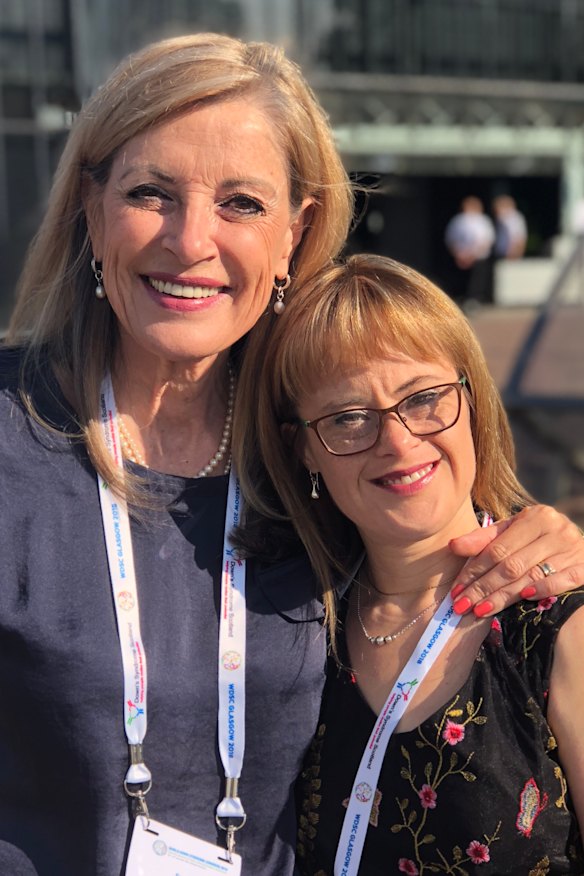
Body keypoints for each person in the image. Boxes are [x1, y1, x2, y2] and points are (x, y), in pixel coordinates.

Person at [0, 32, 582, 876]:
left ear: (294, 235)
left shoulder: (312, 448)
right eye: (151, 192)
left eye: (241, 203)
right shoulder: (14, 434)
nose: (191, 240)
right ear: (91, 210)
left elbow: (431, 531)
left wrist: (546, 546)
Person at [235, 254, 584, 874]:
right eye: (347, 418)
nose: (398, 442)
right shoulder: (289, 622)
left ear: (471, 400)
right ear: (305, 451)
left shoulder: (558, 624)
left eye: (423, 399)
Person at [444, 196, 495, 309]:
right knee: (461, 280)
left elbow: (487, 240)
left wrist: (473, 254)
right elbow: (451, 238)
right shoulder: (458, 220)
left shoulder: (483, 220)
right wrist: (459, 254)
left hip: (478, 257)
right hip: (461, 257)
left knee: (477, 281)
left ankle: (475, 299)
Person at [492, 194, 528, 260]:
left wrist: (514, 252)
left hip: (510, 254)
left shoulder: (513, 218)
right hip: (502, 253)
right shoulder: (501, 219)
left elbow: (518, 237)